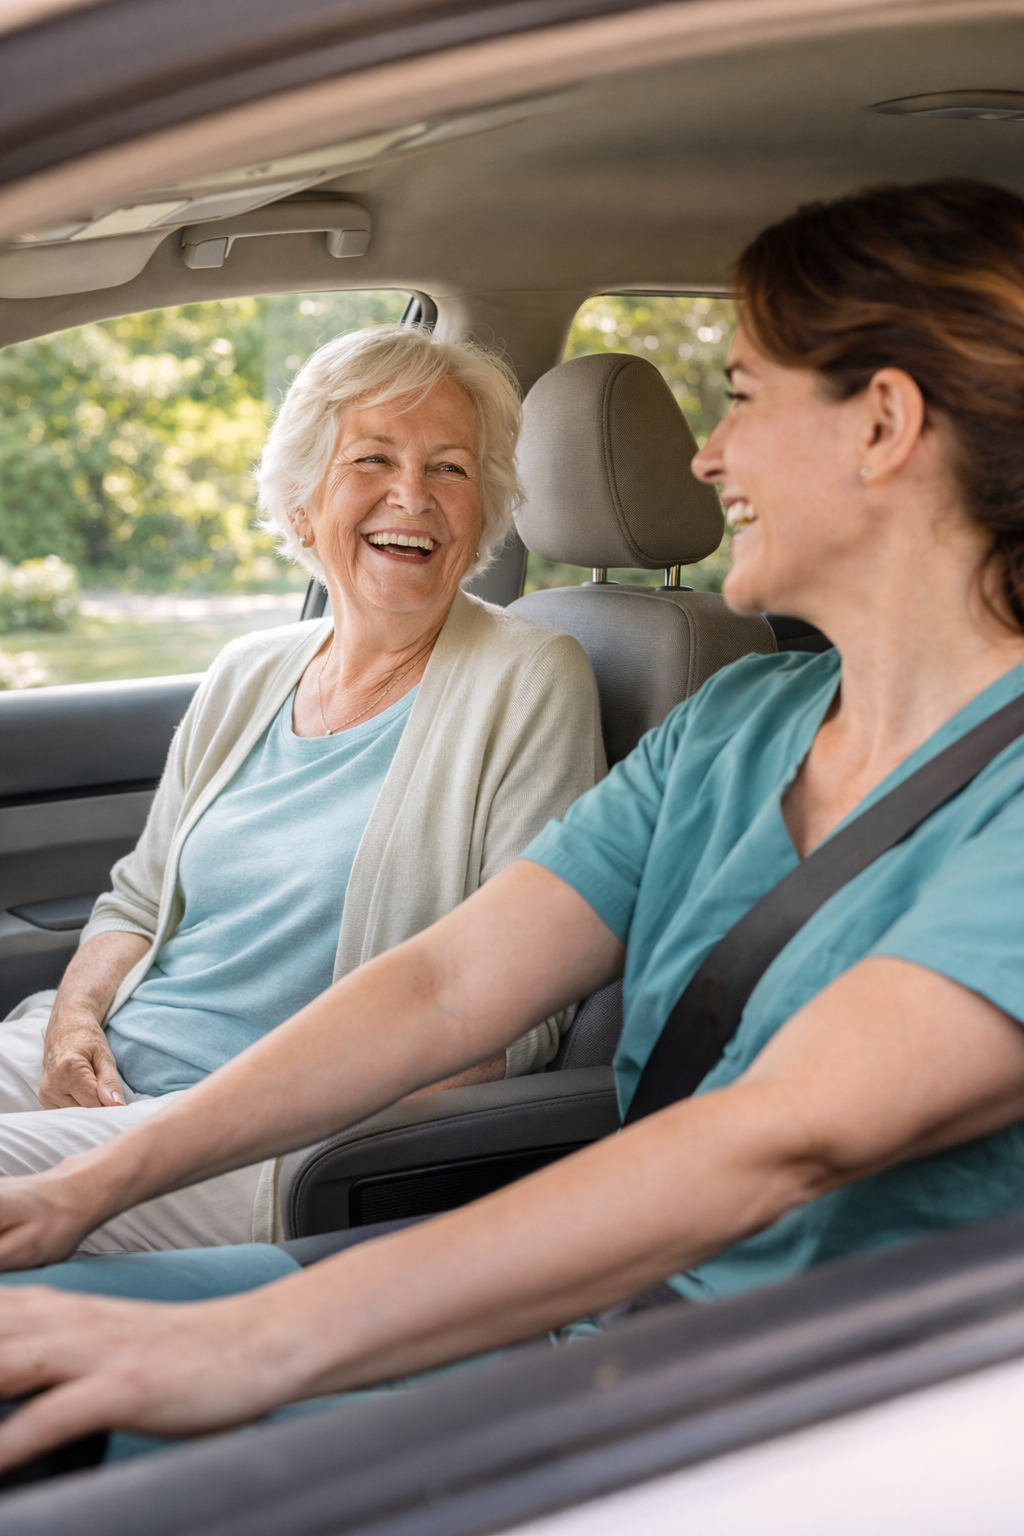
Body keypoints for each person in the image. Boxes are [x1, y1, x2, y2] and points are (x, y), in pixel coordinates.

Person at [0, 177, 1023, 1476]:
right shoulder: (741, 721)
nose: (708, 456)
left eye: (745, 395)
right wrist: (93, 1186)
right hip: (589, 1318)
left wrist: (265, 1339)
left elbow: (785, 1131)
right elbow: (441, 985)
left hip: (804, 1409)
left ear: (882, 423)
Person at [0, 323, 604, 1256]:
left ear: (482, 514)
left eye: (449, 468)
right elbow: (138, 900)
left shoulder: (531, 675)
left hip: (267, 1134)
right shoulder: (249, 670)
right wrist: (74, 1025)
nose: (413, 496)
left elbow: (517, 1004)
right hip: (116, 1060)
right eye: (372, 458)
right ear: (299, 505)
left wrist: (238, 1119)